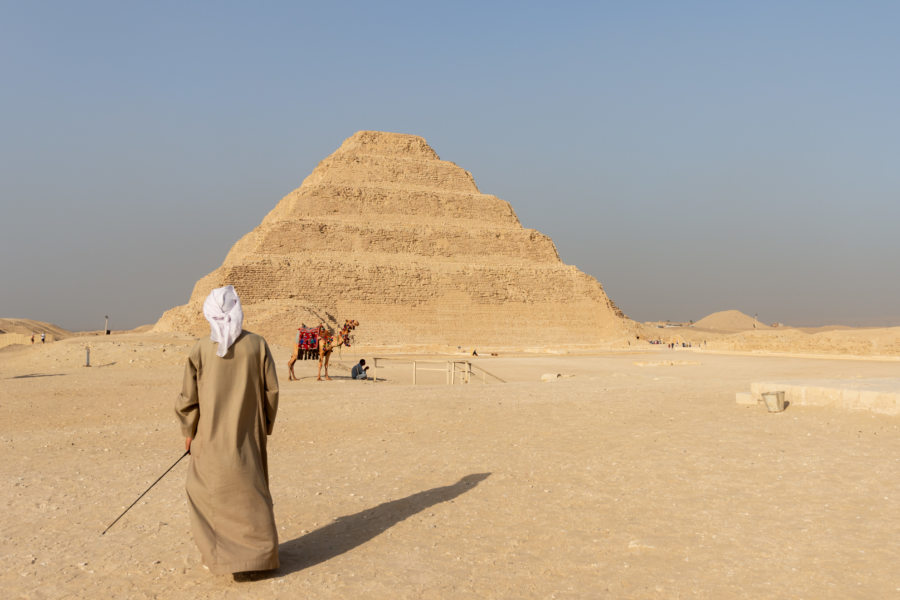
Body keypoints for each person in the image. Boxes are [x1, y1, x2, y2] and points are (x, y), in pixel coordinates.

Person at [174, 285, 280, 577]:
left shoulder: (200, 349)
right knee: (251, 491)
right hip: (249, 433)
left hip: (209, 436)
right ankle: (260, 556)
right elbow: (271, 391)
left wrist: (189, 430)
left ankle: (219, 556)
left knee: (204, 491)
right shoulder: (257, 345)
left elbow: (187, 398)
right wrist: (264, 425)